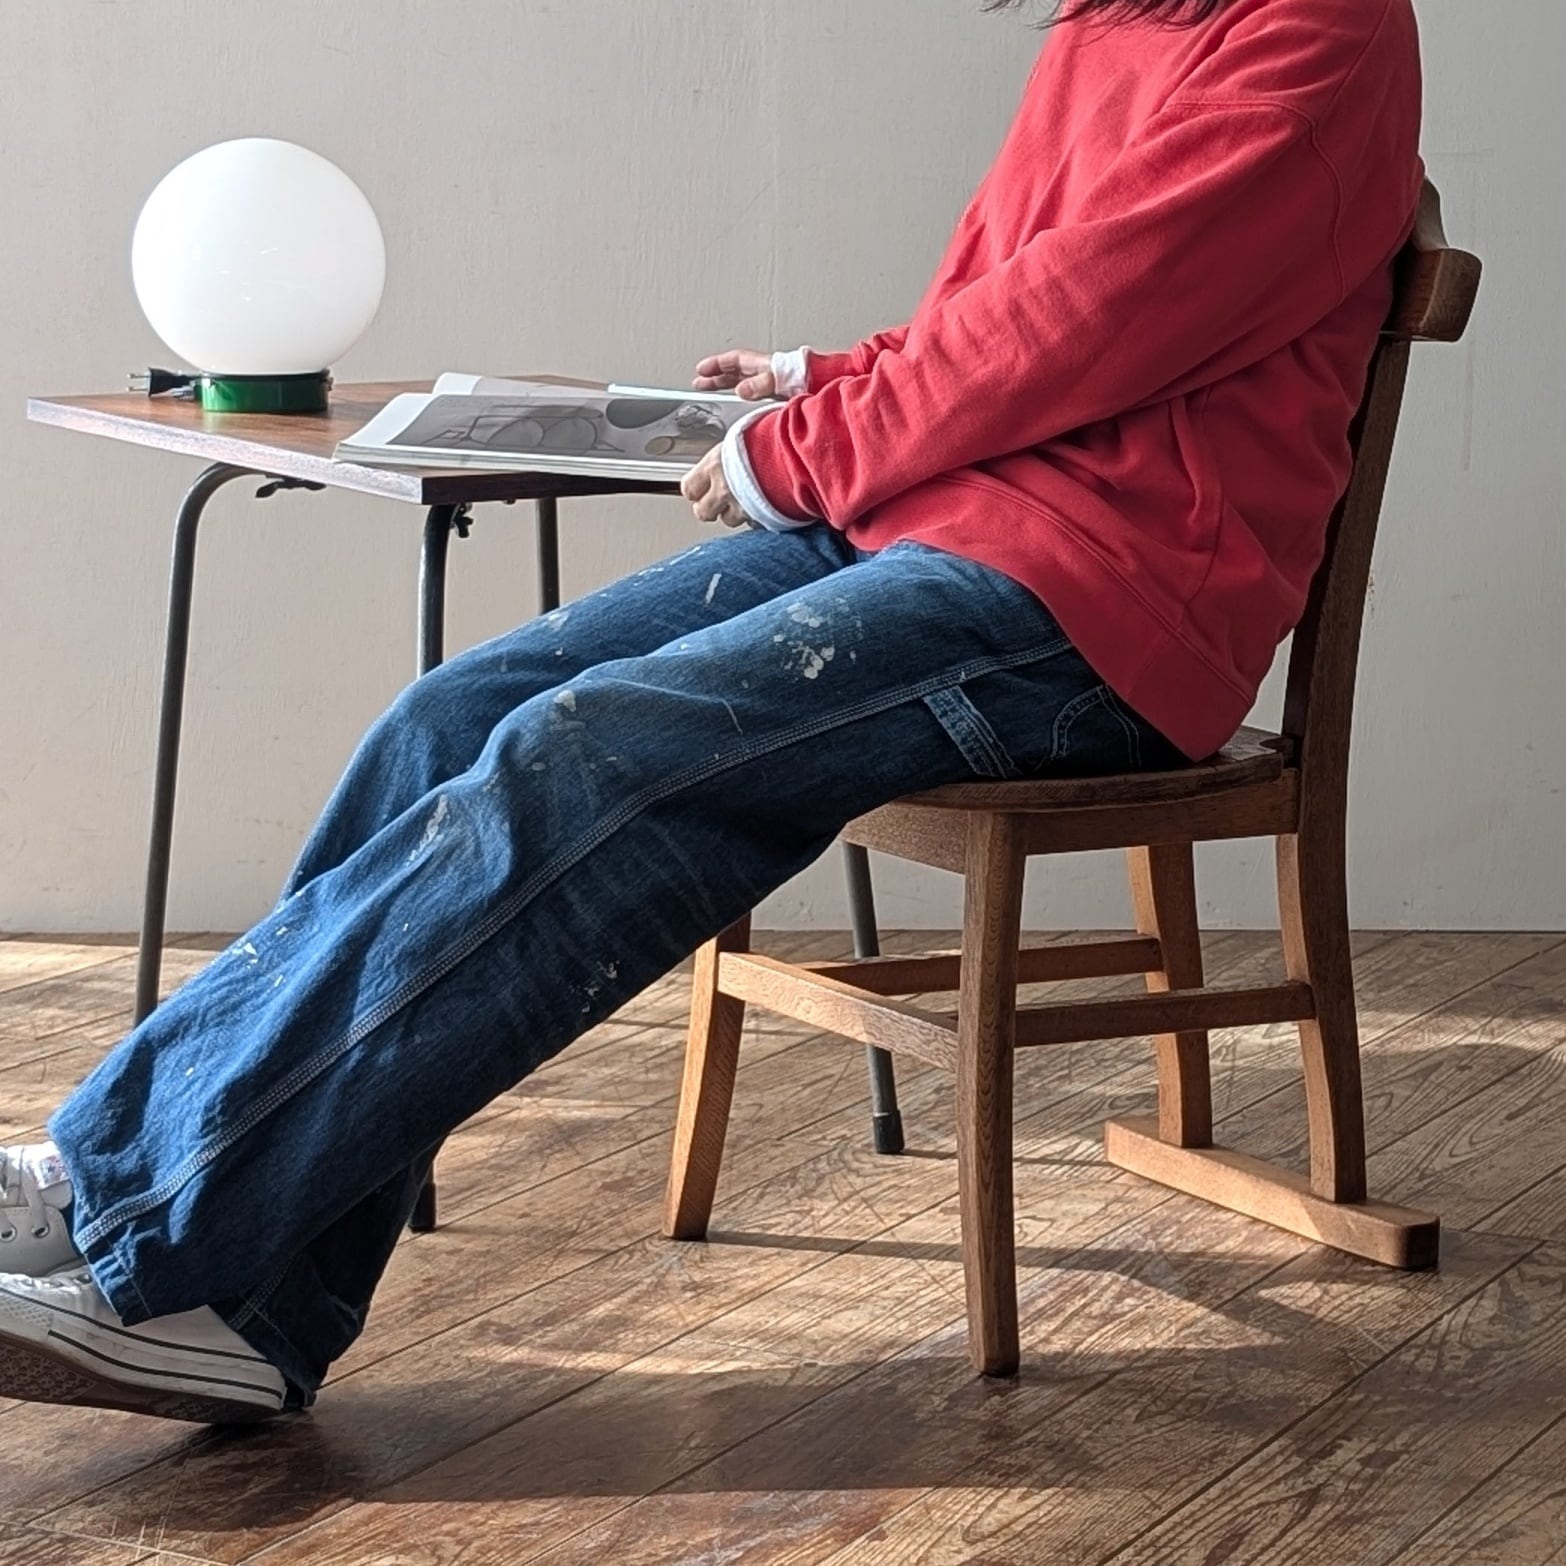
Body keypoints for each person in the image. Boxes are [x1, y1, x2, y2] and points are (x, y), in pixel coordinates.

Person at [0, 0, 1423, 1423]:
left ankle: (134, 1209)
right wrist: (829, 377)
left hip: (1098, 599)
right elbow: (1015, 298)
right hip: (932, 524)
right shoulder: (1114, 21)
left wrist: (807, 448)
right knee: (455, 715)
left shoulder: (1316, 29)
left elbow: (1093, 317)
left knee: (586, 757)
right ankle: (248, 1313)